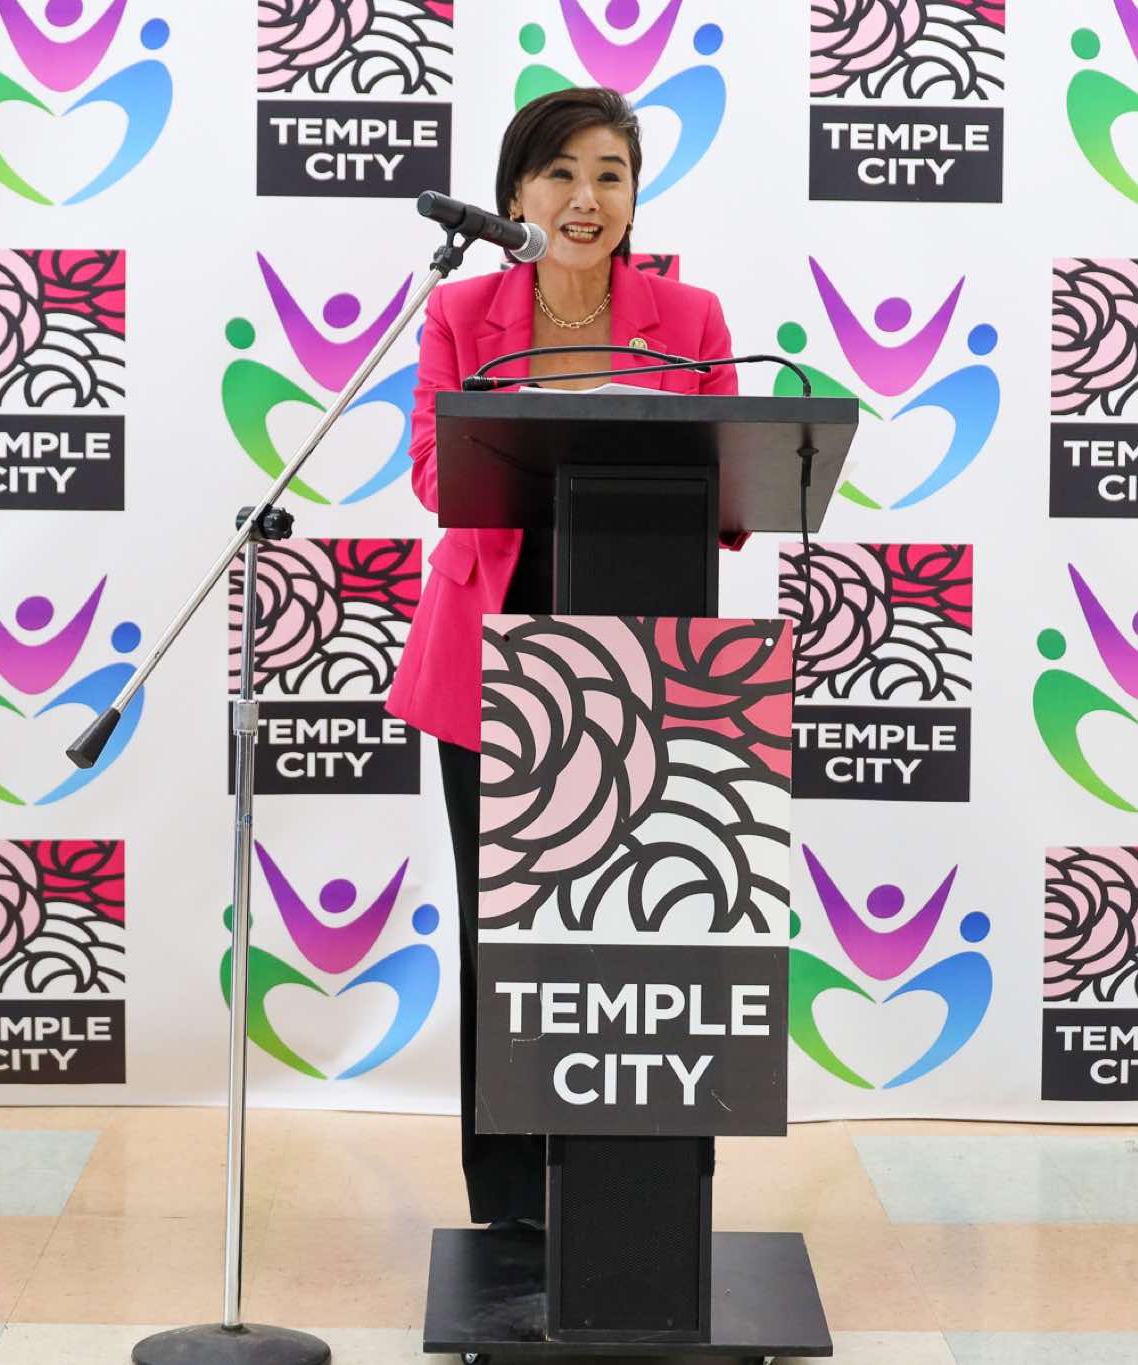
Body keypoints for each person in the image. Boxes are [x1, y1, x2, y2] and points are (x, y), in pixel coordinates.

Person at [385, 86, 739, 1227]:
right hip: (488, 660)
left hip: (646, 656)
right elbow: (436, 476)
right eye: (561, 174)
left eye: (610, 175)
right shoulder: (461, 310)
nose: (587, 198)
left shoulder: (691, 318)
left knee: (643, 926)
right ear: (514, 195)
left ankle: (641, 1198)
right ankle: (510, 1203)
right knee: (504, 934)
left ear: (635, 196)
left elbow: (731, 489)